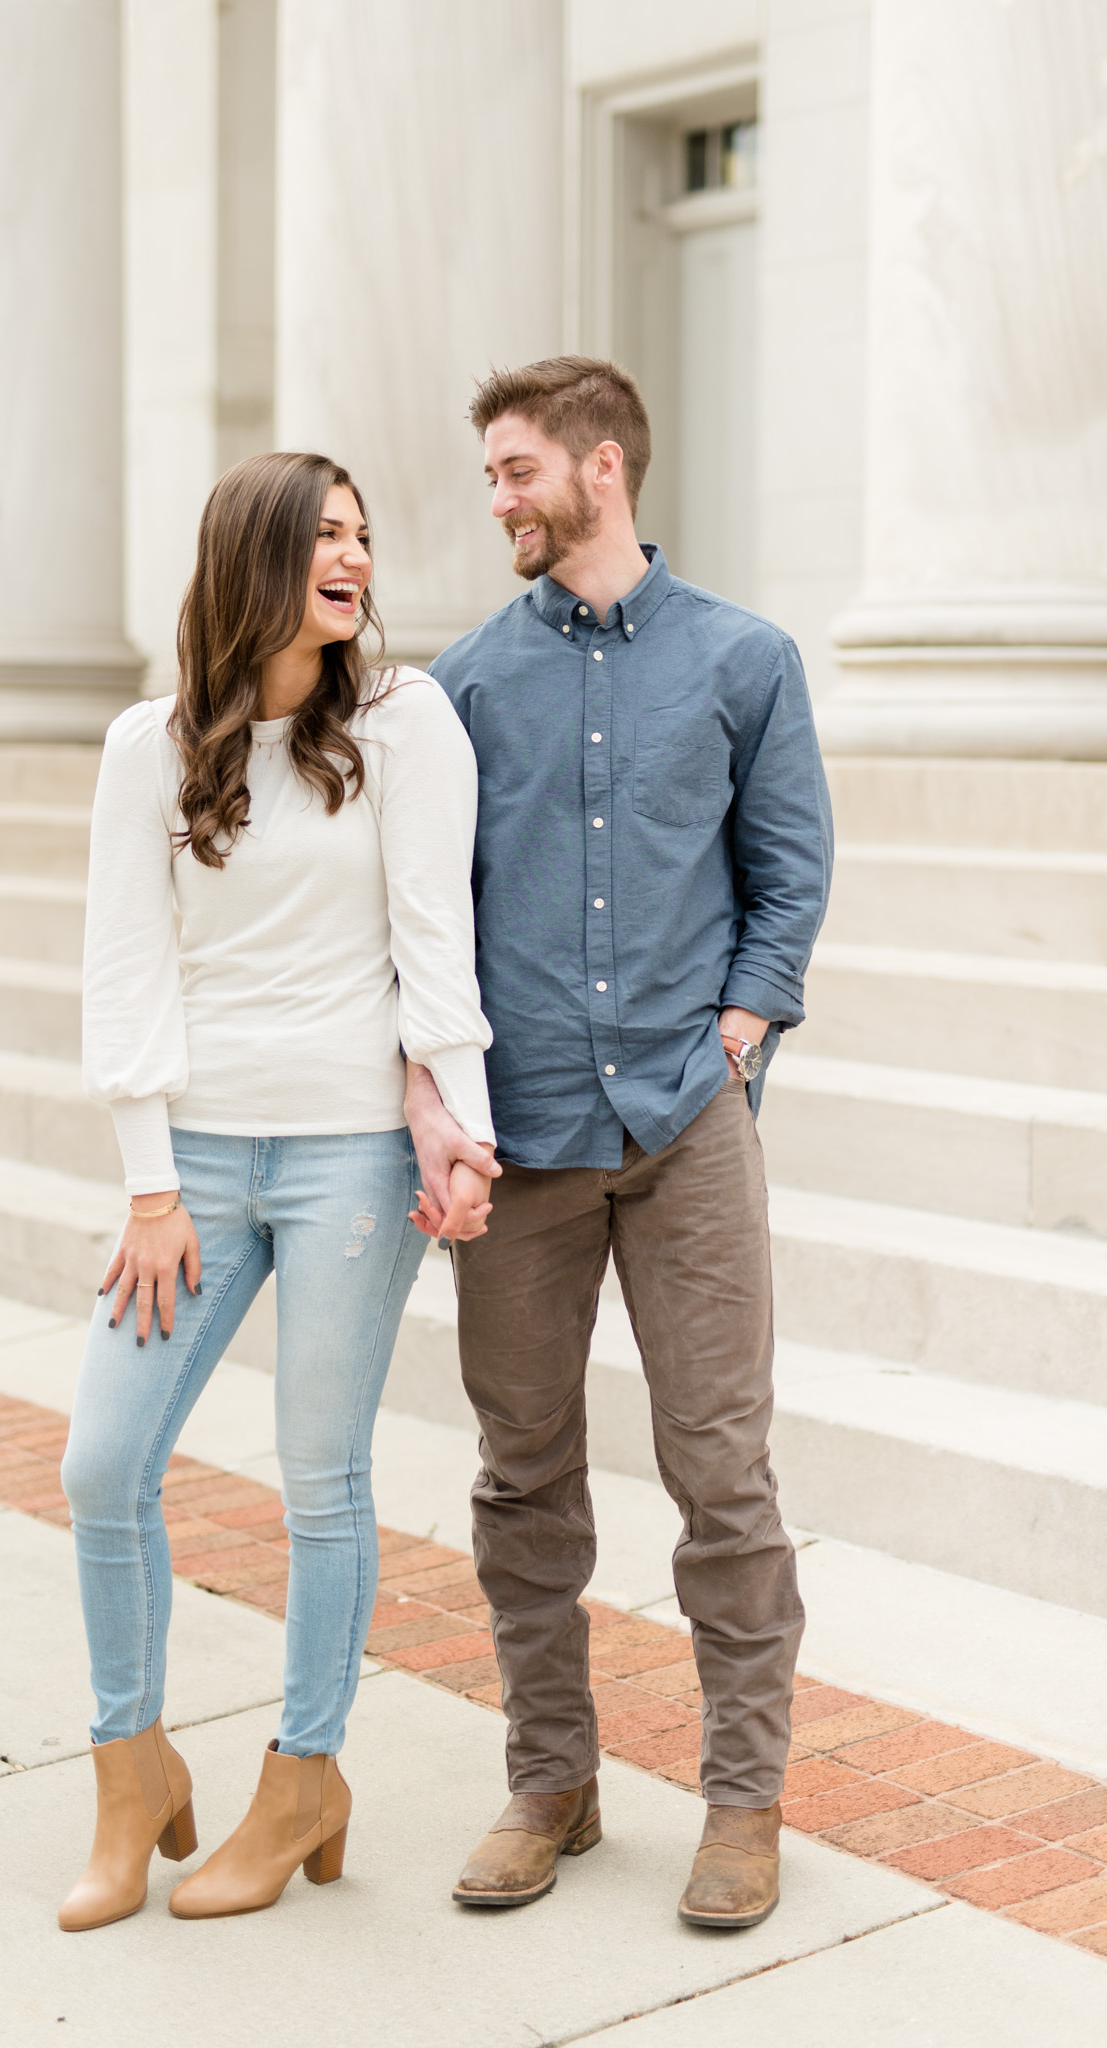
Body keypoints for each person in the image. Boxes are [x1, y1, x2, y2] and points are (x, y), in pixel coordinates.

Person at [407, 356, 833, 1929]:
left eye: (518, 471)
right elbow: (426, 914)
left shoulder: (746, 659)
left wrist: (740, 1030)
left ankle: (745, 1799)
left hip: (685, 1128)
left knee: (722, 1471)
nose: (500, 500)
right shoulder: (459, 687)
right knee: (523, 1474)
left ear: (604, 467)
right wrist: (436, 1100)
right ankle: (552, 1780)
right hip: (522, 1148)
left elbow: (788, 873)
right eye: (493, 477)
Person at [57, 450, 496, 1933]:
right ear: (250, 556)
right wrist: (146, 1182)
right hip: (196, 1170)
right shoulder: (148, 746)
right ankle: (133, 1771)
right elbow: (125, 966)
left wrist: (463, 1129)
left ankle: (305, 1775)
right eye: (323, 536)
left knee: (322, 1482)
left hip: (349, 1162)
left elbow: (438, 937)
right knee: (101, 1469)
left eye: (365, 536)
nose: (355, 559)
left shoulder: (403, 722)